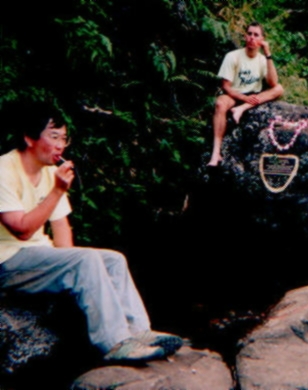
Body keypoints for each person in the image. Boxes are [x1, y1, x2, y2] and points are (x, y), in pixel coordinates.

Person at [0, 102, 183, 363]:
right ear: (29, 138)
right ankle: (115, 342)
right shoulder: (4, 170)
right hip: (6, 262)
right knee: (84, 260)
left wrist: (71, 272)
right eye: (53, 137)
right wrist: (57, 192)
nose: (61, 145)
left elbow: (62, 232)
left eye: (64, 138)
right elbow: (22, 230)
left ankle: (140, 333)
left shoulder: (52, 172)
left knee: (113, 259)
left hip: (37, 257)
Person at [208, 21, 284, 167]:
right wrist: (243, 98)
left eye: (256, 35)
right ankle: (216, 153)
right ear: (245, 36)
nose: (252, 38)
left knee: (279, 89)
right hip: (234, 94)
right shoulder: (233, 56)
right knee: (220, 103)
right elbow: (226, 86)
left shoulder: (262, 60)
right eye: (249, 34)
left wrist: (268, 54)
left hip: (253, 95)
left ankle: (241, 109)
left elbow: (274, 83)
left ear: (262, 40)